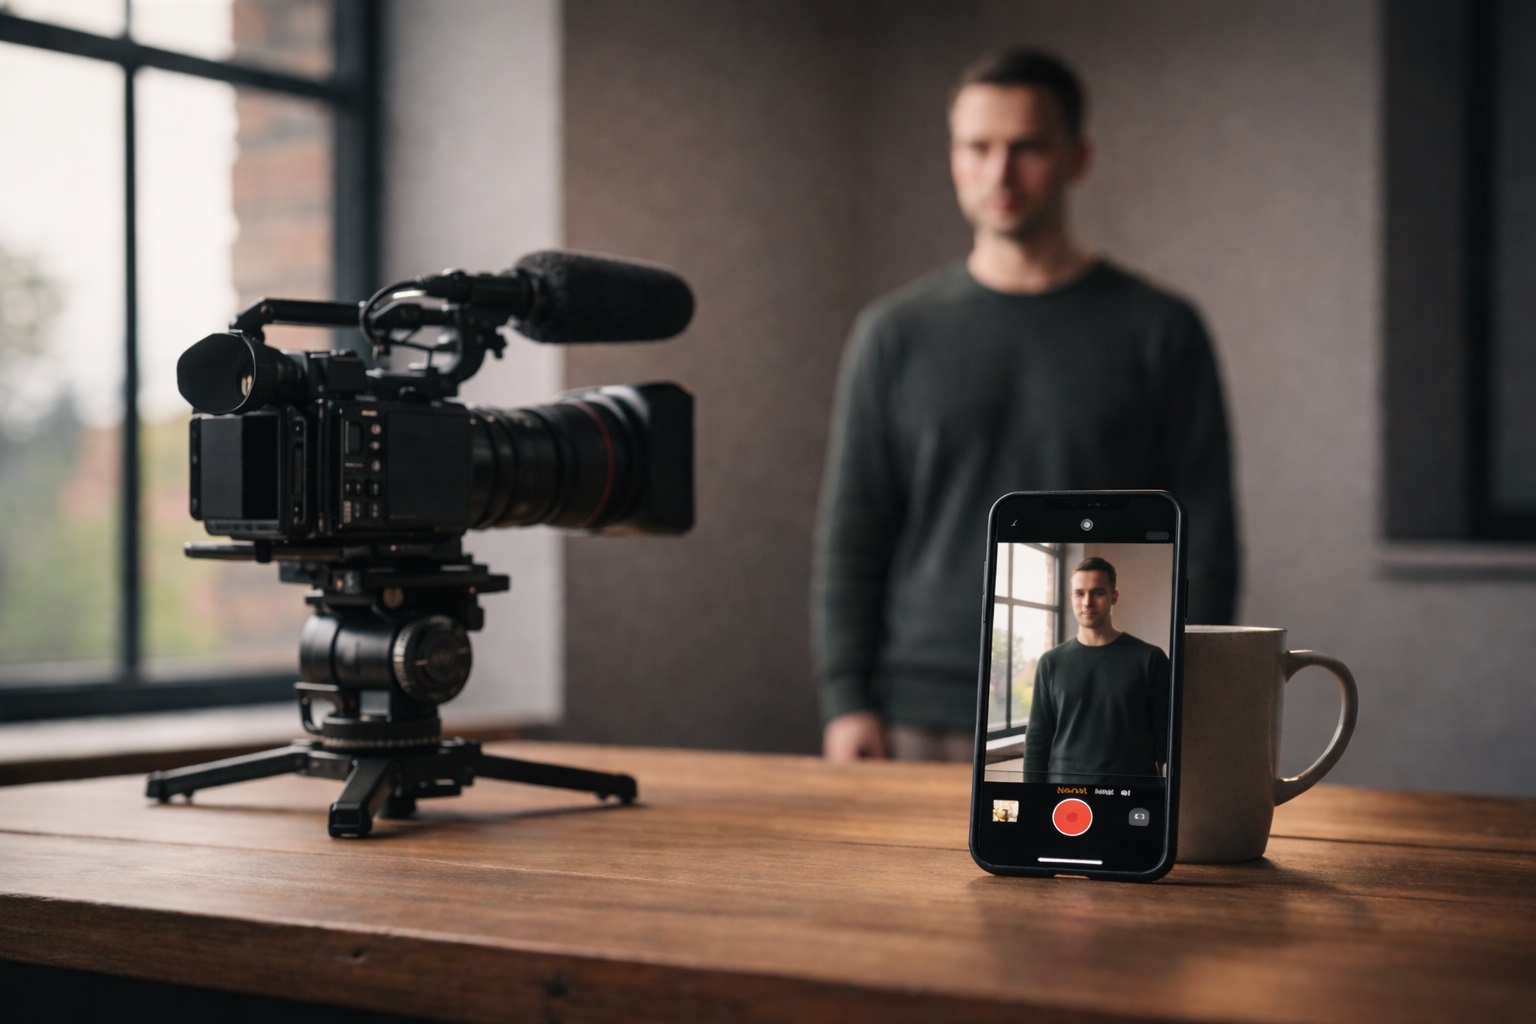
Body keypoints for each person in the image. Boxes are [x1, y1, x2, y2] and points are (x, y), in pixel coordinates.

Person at [813, 47, 1237, 762]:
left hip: (1103, 704)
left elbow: (1208, 539)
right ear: (953, 157)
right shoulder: (894, 334)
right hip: (917, 709)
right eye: (978, 147)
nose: (999, 172)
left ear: (1077, 158)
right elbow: (854, 530)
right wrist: (845, 699)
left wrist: (1179, 696)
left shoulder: (1161, 330)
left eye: (1027, 147)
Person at [1022, 558, 1169, 779]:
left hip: (1132, 796)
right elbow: (1036, 743)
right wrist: (1032, 804)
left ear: (1114, 597)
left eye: (1097, 592)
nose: (1087, 602)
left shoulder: (1150, 659)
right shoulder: (1050, 663)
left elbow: (1168, 741)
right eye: (1079, 593)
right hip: (1065, 795)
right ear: (1071, 597)